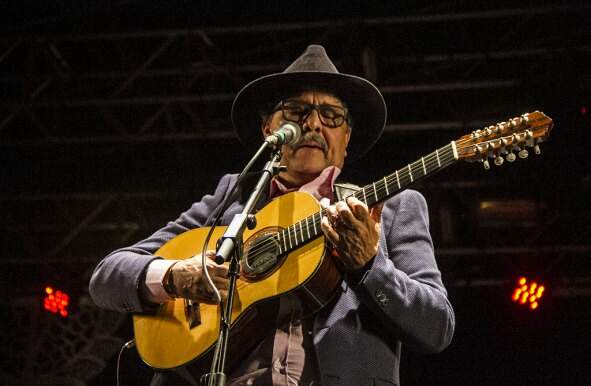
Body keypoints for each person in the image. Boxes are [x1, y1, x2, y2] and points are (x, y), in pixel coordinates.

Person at [89, 45, 455, 386]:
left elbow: (436, 326)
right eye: (296, 112)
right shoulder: (234, 196)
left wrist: (370, 266)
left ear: (346, 138)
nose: (313, 124)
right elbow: (108, 275)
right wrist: (174, 276)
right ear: (269, 129)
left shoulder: (391, 209)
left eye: (331, 115)